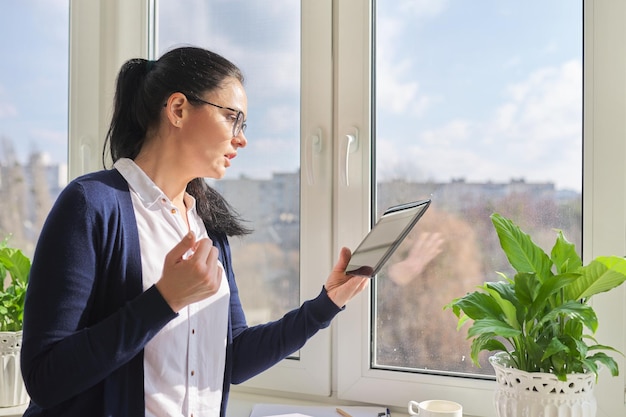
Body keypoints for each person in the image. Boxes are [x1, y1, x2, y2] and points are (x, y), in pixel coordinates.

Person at [20, 46, 369, 417]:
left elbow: (231, 356)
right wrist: (163, 300)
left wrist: (325, 305)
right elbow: (45, 377)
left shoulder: (207, 225)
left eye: (243, 125)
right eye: (232, 118)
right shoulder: (91, 205)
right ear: (178, 109)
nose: (241, 139)